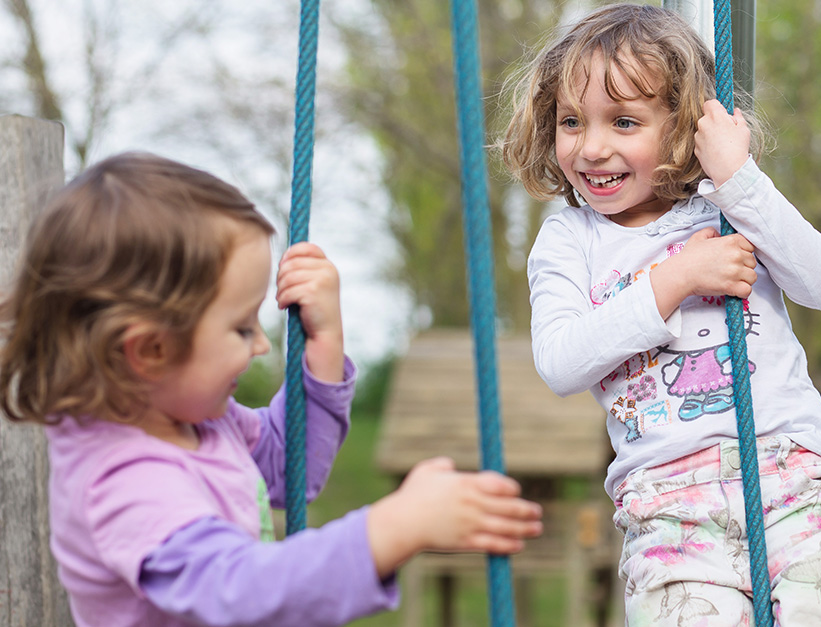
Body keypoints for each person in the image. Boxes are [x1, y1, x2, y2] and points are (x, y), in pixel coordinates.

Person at [0, 153, 543, 627]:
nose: (261, 345)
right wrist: (393, 527)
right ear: (149, 350)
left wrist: (324, 343)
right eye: (240, 327)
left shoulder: (198, 424)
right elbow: (240, 589)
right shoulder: (126, 482)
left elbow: (287, 468)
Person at [501, 3, 821, 626]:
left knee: (819, 608)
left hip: (790, 474)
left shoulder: (725, 204)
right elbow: (561, 362)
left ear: (682, 125)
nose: (591, 147)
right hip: (666, 503)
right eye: (570, 122)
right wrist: (674, 279)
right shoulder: (569, 239)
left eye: (623, 121)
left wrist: (740, 179)